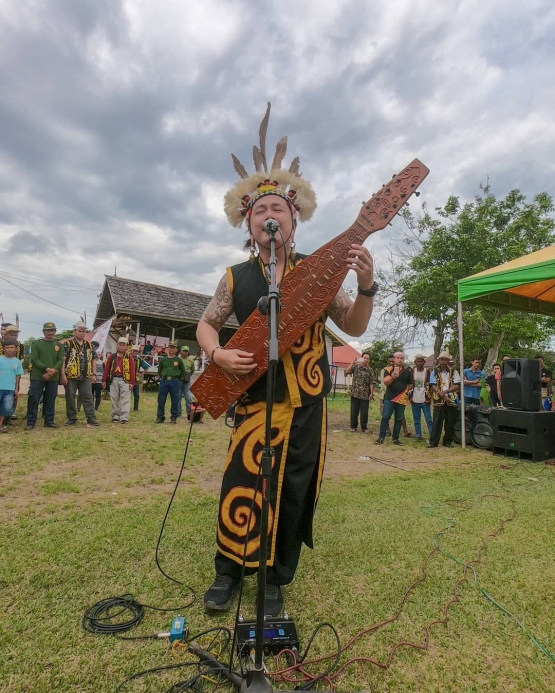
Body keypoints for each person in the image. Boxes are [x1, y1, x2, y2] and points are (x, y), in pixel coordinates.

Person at [197, 104, 375, 617]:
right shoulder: (235, 277)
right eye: (260, 212)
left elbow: (356, 326)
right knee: (243, 481)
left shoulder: (319, 275)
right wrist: (215, 351)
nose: (270, 218)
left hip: (307, 406)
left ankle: (275, 578)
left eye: (279, 211)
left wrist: (366, 284)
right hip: (254, 400)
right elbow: (206, 323)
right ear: (248, 224)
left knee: (294, 488)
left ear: (293, 221)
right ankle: (228, 572)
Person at [25, 321, 63, 430]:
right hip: (38, 376)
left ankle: (49, 421)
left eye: (52, 330)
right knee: (34, 398)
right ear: (43, 331)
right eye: (48, 330)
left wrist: (52, 371)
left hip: (53, 377)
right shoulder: (36, 344)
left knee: (50, 398)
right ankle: (31, 422)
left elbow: (60, 360)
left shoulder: (59, 345)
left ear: (55, 331)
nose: (50, 332)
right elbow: (35, 359)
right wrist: (46, 369)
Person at [60, 321, 99, 427]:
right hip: (70, 376)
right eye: (80, 331)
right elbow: (63, 360)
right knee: (70, 397)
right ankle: (72, 418)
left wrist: (94, 374)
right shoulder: (67, 344)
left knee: (88, 397)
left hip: (86, 376)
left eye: (84, 331)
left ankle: (91, 418)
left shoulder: (89, 345)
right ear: (74, 332)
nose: (82, 333)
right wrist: (63, 375)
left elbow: (93, 360)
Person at [376, 352, 413, 445]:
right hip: (389, 397)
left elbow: (411, 384)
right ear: (394, 359)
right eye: (398, 358)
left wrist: (406, 390)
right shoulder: (388, 370)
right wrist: (393, 377)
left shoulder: (407, 372)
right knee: (385, 417)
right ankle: (381, 438)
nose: (399, 360)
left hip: (401, 398)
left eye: (401, 358)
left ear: (403, 360)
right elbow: (386, 382)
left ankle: (395, 438)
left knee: (399, 418)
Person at [428, 351, 461, 448]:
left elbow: (457, 386)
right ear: (439, 360)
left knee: (450, 421)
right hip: (439, 399)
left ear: (448, 361)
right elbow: (432, 386)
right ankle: (433, 442)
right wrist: (443, 395)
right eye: (441, 359)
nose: (443, 361)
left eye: (445, 359)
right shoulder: (434, 371)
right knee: (437, 421)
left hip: (451, 399)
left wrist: (445, 393)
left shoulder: (454, 372)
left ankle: (447, 441)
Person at [102, 337, 136, 423]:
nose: (121, 346)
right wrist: (104, 380)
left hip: (125, 380)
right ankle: (115, 416)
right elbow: (106, 369)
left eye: (123, 345)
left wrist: (132, 382)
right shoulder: (112, 357)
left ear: (126, 347)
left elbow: (132, 370)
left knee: (125, 399)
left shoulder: (129, 357)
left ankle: (124, 417)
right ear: (117, 346)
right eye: (119, 345)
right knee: (114, 398)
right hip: (114, 379)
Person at [156, 341, 185, 423]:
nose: (172, 349)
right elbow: (159, 371)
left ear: (176, 349)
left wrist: (176, 378)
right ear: (168, 348)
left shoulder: (178, 360)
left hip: (174, 381)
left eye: (174, 347)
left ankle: (173, 417)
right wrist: (163, 376)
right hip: (164, 381)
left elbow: (182, 371)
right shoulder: (163, 360)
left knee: (175, 399)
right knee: (161, 399)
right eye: (170, 347)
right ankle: (160, 417)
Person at [345, 352, 375, 432]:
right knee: (354, 411)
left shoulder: (370, 370)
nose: (366, 360)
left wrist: (372, 393)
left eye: (368, 358)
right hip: (355, 393)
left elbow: (372, 382)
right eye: (364, 358)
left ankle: (364, 427)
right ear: (361, 358)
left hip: (365, 394)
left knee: (364, 413)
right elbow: (347, 371)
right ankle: (353, 426)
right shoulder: (356, 367)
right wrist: (353, 362)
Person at [0, 339, 24, 433]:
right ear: (3, 349)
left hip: (9, 389)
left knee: (6, 408)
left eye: (12, 347)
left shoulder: (17, 362)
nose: (9, 349)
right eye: (7, 347)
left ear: (16, 349)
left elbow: (17, 376)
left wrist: (16, 389)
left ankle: (2, 424)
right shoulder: (0, 359)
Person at [410, 354, 432, 441]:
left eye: (421, 361)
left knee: (429, 419)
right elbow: (409, 385)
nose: (419, 363)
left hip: (425, 399)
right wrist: (410, 397)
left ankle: (432, 434)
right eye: (418, 361)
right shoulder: (412, 371)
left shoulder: (428, 372)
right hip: (414, 399)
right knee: (416, 419)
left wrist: (429, 398)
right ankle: (418, 435)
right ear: (415, 362)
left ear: (424, 362)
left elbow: (431, 386)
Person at [177, 345, 196, 419]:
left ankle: (189, 412)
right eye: (184, 351)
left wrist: (189, 376)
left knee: (188, 397)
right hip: (179, 380)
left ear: (188, 352)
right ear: (181, 351)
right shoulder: (178, 359)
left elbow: (193, 370)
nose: (185, 352)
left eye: (186, 351)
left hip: (187, 380)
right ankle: (178, 413)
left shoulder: (191, 361)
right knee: (178, 397)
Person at [130, 345, 149, 412]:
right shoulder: (126, 358)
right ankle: (126, 408)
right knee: (127, 394)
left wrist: (141, 374)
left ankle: (135, 408)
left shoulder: (139, 359)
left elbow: (146, 367)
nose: (135, 352)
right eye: (134, 351)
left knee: (136, 395)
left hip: (135, 379)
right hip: (127, 379)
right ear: (131, 351)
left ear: (138, 352)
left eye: (136, 351)